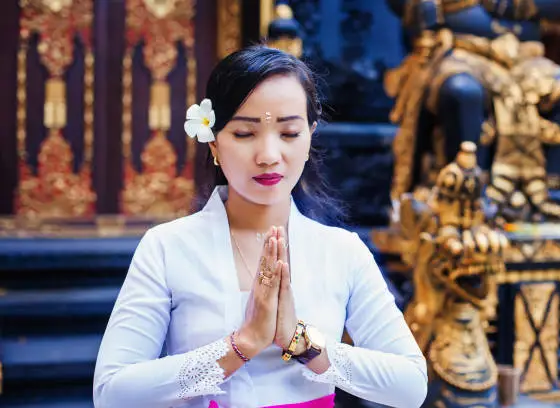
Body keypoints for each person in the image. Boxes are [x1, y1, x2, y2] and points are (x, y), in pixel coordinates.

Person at [93, 45, 427, 408]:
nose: (269, 155)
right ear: (214, 140)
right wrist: (242, 344)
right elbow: (112, 393)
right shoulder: (168, 247)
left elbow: (410, 386)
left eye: (288, 133)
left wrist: (299, 341)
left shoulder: (342, 252)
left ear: (310, 136)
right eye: (244, 133)